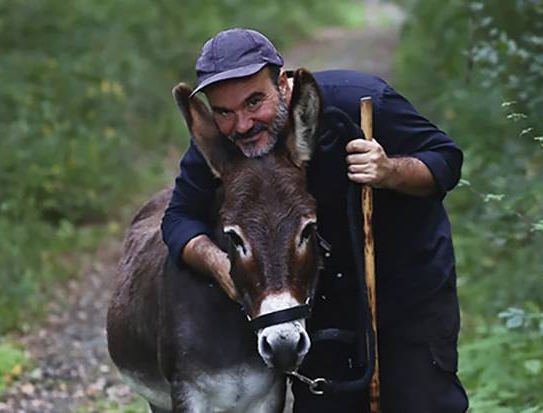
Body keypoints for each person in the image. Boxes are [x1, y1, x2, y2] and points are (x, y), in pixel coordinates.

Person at [161, 28, 468, 413]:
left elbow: (445, 160)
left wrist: (390, 170)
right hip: (314, 305)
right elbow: (178, 219)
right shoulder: (221, 146)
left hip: (402, 285)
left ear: (284, 84)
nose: (242, 125)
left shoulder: (355, 101)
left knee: (421, 402)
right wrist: (220, 264)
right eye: (224, 111)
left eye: (255, 101)